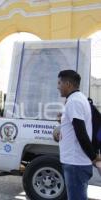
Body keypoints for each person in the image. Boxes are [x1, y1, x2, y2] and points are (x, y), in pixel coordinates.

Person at [57, 70, 97, 200]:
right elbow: (77, 128)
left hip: (75, 163)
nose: (58, 86)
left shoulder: (74, 101)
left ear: (68, 84)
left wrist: (93, 157)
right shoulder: (78, 99)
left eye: (59, 83)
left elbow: (81, 133)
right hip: (76, 162)